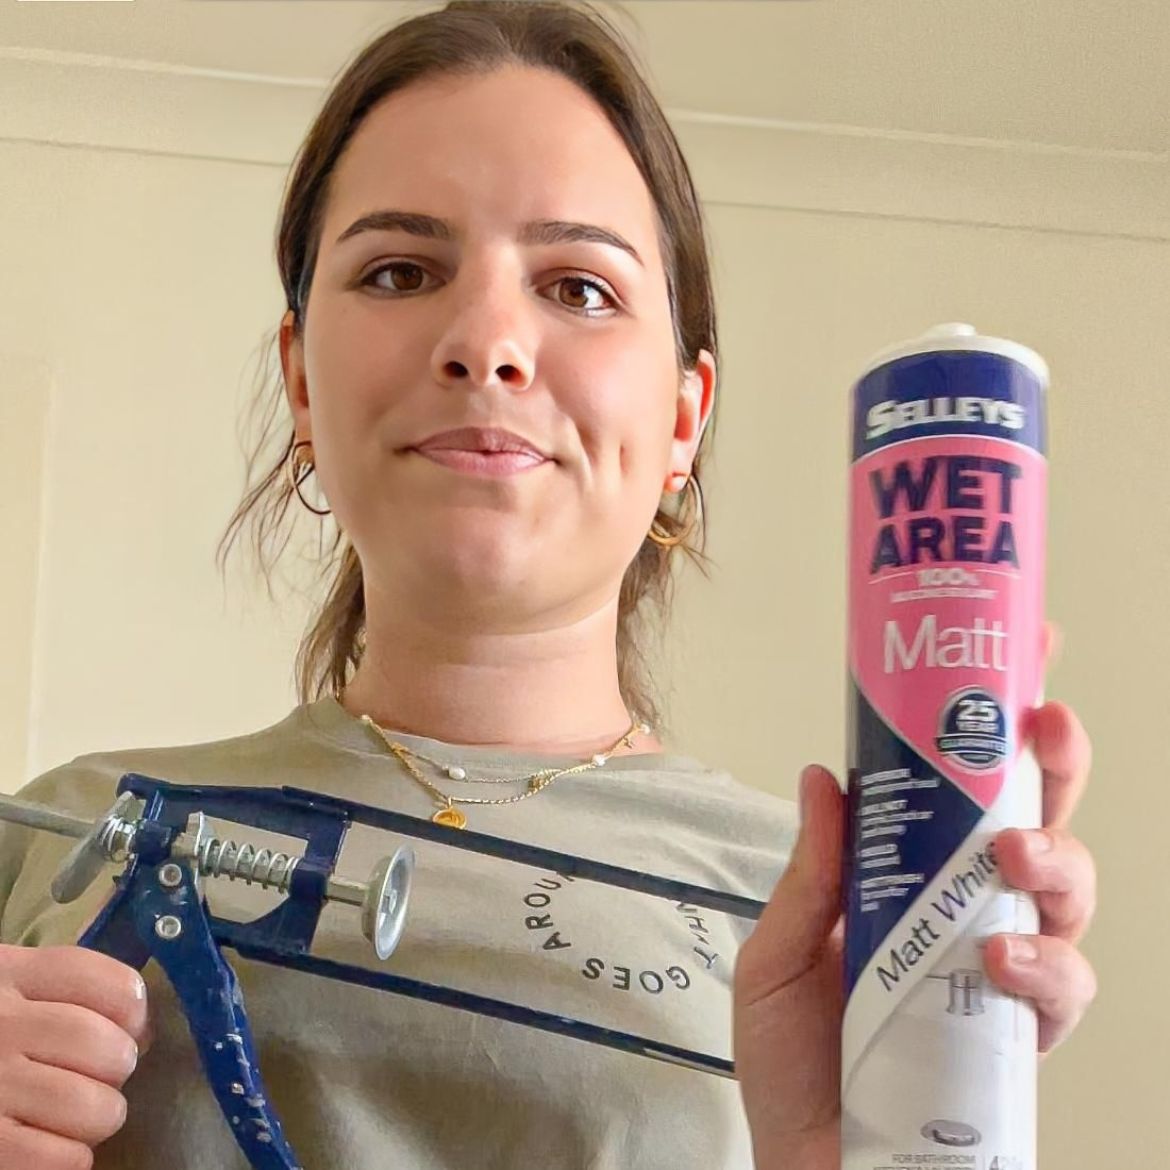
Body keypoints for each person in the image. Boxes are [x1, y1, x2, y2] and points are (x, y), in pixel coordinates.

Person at [0, 3, 1098, 1168]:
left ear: (682, 419)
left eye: (578, 288)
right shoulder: (59, 840)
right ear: (302, 382)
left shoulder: (838, 920)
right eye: (400, 270)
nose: (486, 341)